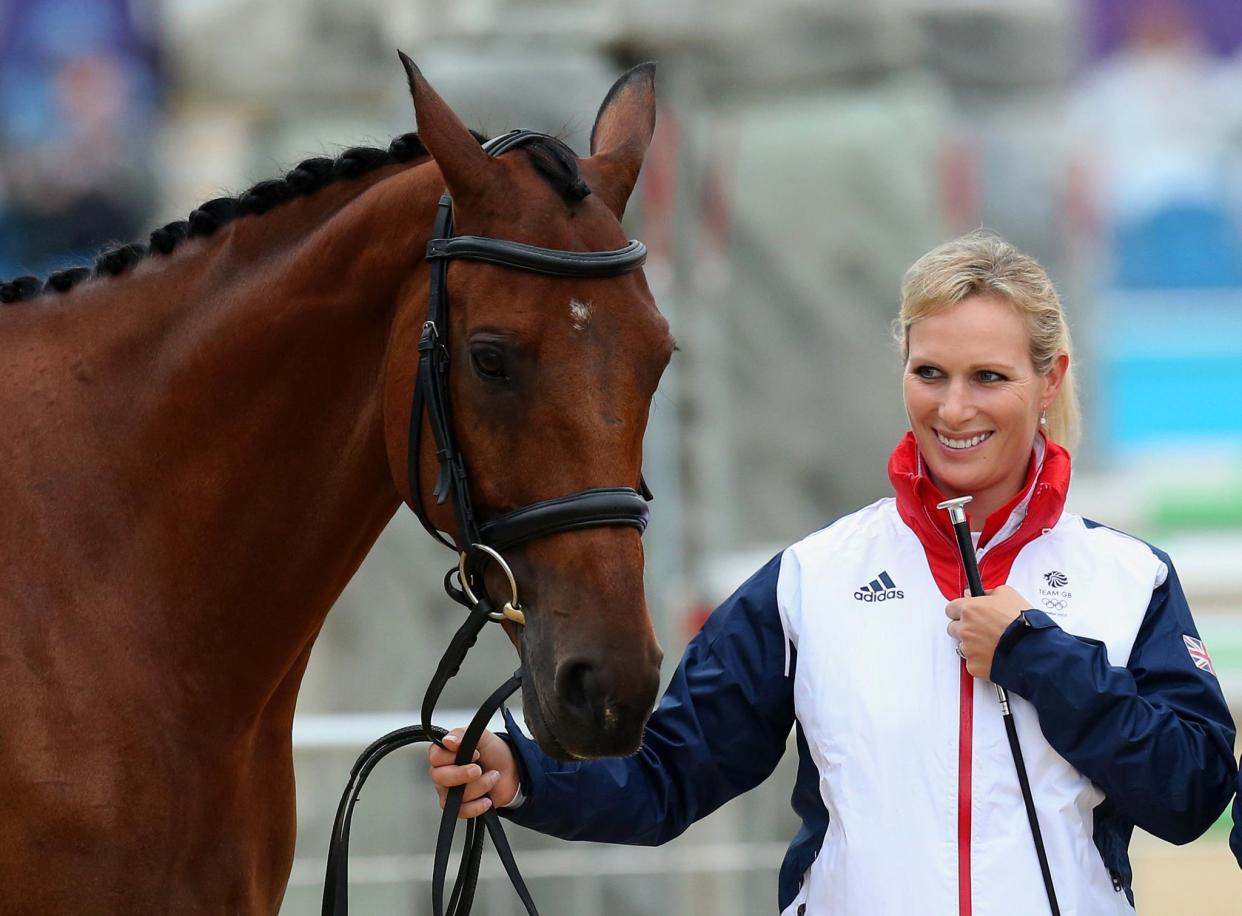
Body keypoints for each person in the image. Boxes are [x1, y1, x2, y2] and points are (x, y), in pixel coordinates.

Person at [429, 231, 1237, 914]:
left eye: (989, 377)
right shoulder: (810, 581)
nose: (955, 410)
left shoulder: (1130, 577)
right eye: (931, 374)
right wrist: (525, 774)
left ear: (1049, 379)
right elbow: (670, 774)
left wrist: (1041, 659)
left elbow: (1191, 793)